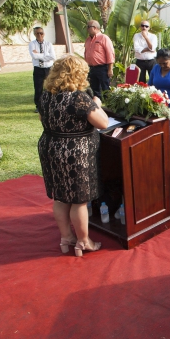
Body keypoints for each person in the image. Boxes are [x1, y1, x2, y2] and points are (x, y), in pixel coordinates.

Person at [37, 54, 109, 257]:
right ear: (77, 74)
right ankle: (84, 241)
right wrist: (96, 104)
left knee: (61, 197)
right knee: (78, 200)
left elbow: (43, 118)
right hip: (74, 152)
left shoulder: (46, 95)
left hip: (51, 148)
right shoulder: (78, 97)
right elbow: (103, 123)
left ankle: (66, 237)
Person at [83, 20, 114, 99]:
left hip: (102, 68)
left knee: (106, 88)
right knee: (94, 89)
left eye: (88, 27)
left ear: (94, 28)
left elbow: (110, 53)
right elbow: (86, 53)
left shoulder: (104, 38)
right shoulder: (88, 39)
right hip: (91, 68)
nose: (87, 29)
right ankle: (97, 103)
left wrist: (110, 69)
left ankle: (108, 103)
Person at [28, 26, 55, 113]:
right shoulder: (32, 44)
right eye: (37, 33)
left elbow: (53, 57)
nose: (40, 35)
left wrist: (39, 54)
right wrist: (46, 55)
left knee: (50, 87)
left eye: (41, 33)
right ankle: (39, 106)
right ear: (34, 34)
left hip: (48, 69)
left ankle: (50, 105)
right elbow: (34, 56)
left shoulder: (48, 44)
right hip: (38, 69)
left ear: (44, 34)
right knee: (38, 88)